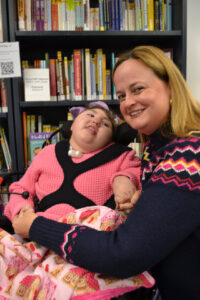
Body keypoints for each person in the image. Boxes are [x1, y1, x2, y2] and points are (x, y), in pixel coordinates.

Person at [12, 45, 200, 300]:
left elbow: (124, 253)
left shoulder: (187, 156)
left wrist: (35, 225)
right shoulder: (155, 150)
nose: (128, 102)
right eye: (121, 95)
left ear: (171, 88)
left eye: (138, 89)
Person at [4, 101, 141, 223]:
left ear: (110, 140)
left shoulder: (121, 156)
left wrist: (124, 178)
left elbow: (137, 172)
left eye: (106, 124)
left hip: (88, 234)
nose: (96, 121)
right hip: (41, 228)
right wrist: (21, 211)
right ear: (71, 125)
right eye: (90, 115)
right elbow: (21, 189)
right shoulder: (48, 152)